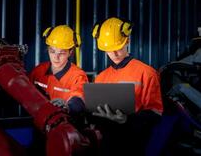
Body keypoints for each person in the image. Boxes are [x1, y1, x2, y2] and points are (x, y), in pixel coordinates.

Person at [90, 17, 164, 155]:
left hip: (134, 143)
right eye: (109, 50)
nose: (114, 54)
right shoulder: (100, 77)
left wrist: (127, 120)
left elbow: (156, 113)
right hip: (107, 143)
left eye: (118, 48)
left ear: (127, 41)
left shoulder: (147, 73)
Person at [29, 25, 88, 122]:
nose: (56, 57)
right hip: (40, 126)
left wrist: (67, 107)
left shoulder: (78, 75)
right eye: (52, 51)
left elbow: (79, 98)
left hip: (67, 127)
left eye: (62, 53)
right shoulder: (38, 71)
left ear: (70, 52)